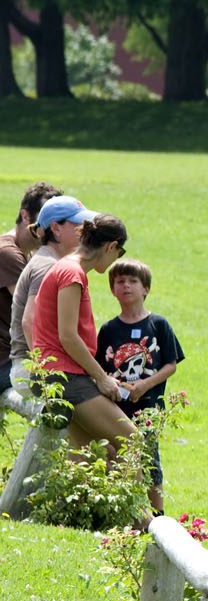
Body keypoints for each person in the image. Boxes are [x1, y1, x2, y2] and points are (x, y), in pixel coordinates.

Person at [31, 214, 136, 457]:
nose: (116, 259)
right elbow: (67, 336)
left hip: (58, 374)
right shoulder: (72, 273)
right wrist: (101, 378)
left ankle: (88, 496)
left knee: (91, 456)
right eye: (118, 253)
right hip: (63, 376)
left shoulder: (66, 267)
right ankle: (136, 496)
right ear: (111, 246)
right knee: (133, 442)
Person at [97, 259, 184, 513]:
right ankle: (122, 509)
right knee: (116, 455)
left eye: (133, 281)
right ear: (112, 289)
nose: (126, 286)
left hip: (149, 408)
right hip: (116, 407)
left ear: (146, 288)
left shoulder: (158, 325)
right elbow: (100, 367)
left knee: (149, 459)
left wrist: (145, 385)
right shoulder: (109, 330)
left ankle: (158, 514)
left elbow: (171, 364)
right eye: (120, 281)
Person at [10, 193, 86, 390]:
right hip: (31, 368)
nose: (84, 232)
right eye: (78, 225)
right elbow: (29, 321)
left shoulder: (48, 260)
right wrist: (44, 373)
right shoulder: (47, 266)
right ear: (56, 229)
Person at [0, 182, 62, 377]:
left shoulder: (33, 253)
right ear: (25, 215)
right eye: (46, 218)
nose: (53, 227)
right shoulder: (7, 254)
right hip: (5, 360)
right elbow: (39, 313)